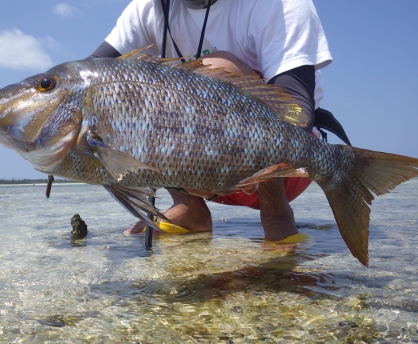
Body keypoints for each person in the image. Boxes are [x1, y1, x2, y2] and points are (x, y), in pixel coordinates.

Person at [89, 0, 334, 244]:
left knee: (218, 67)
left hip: (292, 166)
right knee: (128, 95)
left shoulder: (279, 4)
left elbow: (296, 111)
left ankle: (277, 217)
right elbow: (89, 79)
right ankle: (190, 209)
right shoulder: (147, 7)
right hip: (197, 176)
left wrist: (228, 150)